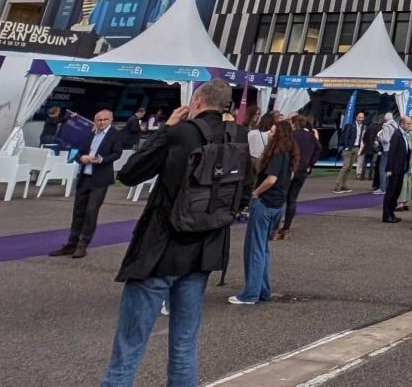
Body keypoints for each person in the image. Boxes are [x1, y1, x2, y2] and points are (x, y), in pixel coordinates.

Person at [101, 78, 247, 387]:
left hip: (160, 248)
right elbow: (244, 192)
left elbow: (129, 174)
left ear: (196, 102)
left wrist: (165, 128)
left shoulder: (181, 133)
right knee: (184, 343)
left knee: (129, 345)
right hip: (204, 249)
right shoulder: (238, 137)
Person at [231, 118, 297, 305]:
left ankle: (251, 293)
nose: (269, 133)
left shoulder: (277, 153)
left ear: (278, 134)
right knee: (263, 249)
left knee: (255, 249)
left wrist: (255, 192)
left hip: (265, 203)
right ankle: (261, 290)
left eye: (272, 130)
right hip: (277, 204)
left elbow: (271, 179)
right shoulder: (290, 154)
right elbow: (288, 177)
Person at [50, 109, 130, 258]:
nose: (102, 122)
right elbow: (80, 153)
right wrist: (83, 158)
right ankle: (71, 243)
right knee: (78, 211)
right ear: (95, 121)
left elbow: (117, 153)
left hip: (100, 179)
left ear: (111, 120)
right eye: (99, 120)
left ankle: (83, 244)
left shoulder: (115, 135)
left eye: (105, 120)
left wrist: (102, 160)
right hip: (85, 177)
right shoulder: (91, 134)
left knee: (91, 212)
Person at [279, 115, 321, 240]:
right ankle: (286, 228)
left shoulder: (292, 135)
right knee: (292, 199)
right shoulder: (312, 137)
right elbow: (319, 148)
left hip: (290, 169)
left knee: (281, 197)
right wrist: (311, 163)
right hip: (303, 169)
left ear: (294, 123)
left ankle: (275, 227)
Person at [381, 115, 411, 223]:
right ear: (402, 123)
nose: (409, 125)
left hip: (402, 168)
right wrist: (389, 169)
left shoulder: (404, 135)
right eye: (408, 123)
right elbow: (392, 152)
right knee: (391, 192)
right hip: (395, 168)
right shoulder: (397, 135)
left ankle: (391, 213)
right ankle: (387, 215)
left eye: (410, 123)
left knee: (396, 192)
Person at [334, 110, 368, 191]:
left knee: (349, 168)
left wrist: (359, 147)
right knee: (345, 167)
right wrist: (347, 146)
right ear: (356, 117)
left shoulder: (363, 126)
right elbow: (346, 136)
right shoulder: (350, 125)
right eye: (359, 117)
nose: (360, 119)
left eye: (362, 117)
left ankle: (344, 185)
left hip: (356, 148)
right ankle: (338, 185)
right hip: (349, 148)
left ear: (364, 118)